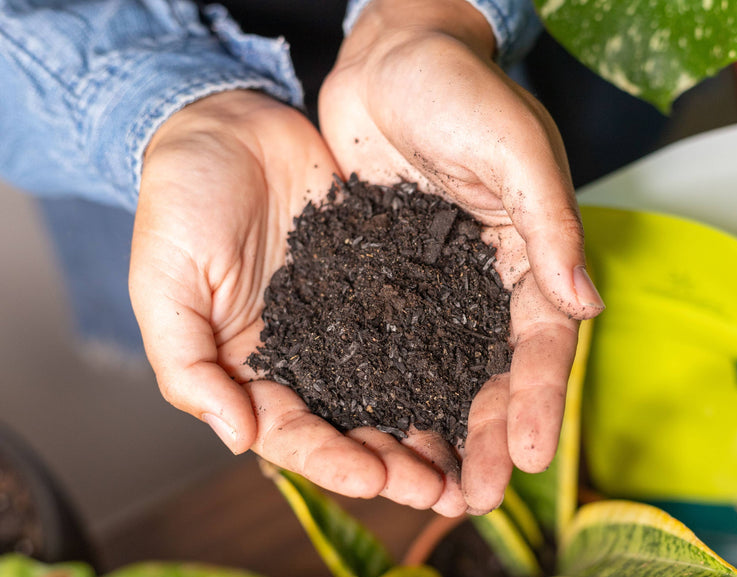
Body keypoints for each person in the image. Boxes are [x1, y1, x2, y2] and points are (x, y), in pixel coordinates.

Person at [0, 0, 604, 518]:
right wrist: (162, 107)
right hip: (154, 160)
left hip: (455, 113)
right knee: (218, 352)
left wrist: (427, 14)